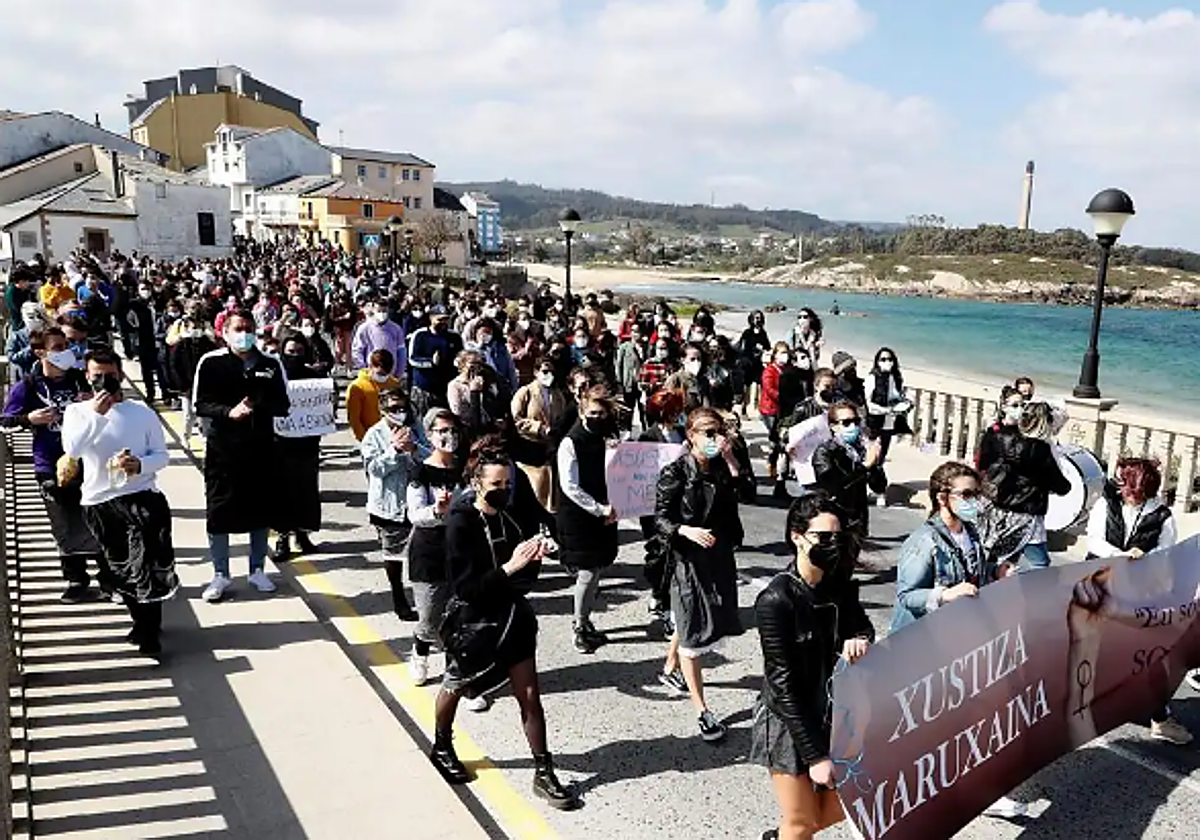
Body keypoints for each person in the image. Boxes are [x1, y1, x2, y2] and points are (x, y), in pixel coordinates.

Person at [429, 443, 578, 810]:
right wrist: (511, 566)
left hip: (513, 617)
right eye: (497, 483)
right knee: (456, 685)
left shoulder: (511, 514)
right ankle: (442, 742)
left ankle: (544, 770)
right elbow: (467, 587)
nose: (505, 489)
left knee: (529, 695)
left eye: (508, 482)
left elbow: (528, 549)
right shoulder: (460, 522)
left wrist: (538, 551)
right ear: (477, 483)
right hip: (475, 622)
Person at [888, 461, 1029, 819]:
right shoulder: (923, 541)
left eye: (975, 494)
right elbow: (907, 595)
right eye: (966, 494)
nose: (973, 502)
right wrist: (945, 594)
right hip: (925, 646)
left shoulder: (971, 533)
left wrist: (996, 573)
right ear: (942, 498)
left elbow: (976, 576)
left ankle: (982, 791)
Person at [752, 493, 873, 840]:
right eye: (822, 537)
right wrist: (816, 755)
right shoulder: (776, 600)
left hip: (836, 716)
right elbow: (782, 686)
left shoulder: (839, 587)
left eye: (837, 537)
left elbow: (862, 626)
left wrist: (859, 638)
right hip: (791, 723)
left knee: (841, 806)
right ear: (797, 536)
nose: (831, 545)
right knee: (802, 823)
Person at [61, 347, 176, 656]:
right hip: (100, 501)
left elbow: (162, 455)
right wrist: (97, 415)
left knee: (146, 565)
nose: (104, 382)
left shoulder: (142, 412)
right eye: (97, 376)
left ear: (120, 375)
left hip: (142, 498)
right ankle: (141, 619)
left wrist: (140, 464)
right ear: (87, 377)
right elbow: (73, 448)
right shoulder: (77, 413)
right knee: (119, 568)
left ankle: (150, 631)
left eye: (109, 376)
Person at [1084, 457, 1192, 745]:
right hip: (1100, 585)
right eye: (1127, 490)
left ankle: (1160, 718)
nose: (1129, 496)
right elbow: (1093, 540)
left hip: (1141, 593)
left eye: (1135, 492)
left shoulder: (1162, 516)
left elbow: (1166, 552)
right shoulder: (1106, 504)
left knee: (1149, 654)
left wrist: (1144, 558)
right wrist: (1120, 555)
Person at [654, 407, 745, 741]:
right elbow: (660, 519)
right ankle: (701, 710)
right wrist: (685, 531)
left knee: (693, 617)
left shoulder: (722, 465)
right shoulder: (675, 472)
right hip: (687, 559)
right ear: (690, 435)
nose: (714, 439)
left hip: (717, 555)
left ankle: (668, 668)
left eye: (717, 432)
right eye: (707, 433)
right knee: (693, 630)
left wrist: (732, 460)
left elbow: (743, 492)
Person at [2, 326, 106, 601]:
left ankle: (108, 577)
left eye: (67, 345)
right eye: (58, 347)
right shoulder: (28, 385)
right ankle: (76, 579)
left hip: (89, 460)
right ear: (41, 352)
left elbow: (113, 406)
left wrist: (94, 403)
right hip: (49, 463)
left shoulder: (80, 379)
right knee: (64, 521)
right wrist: (29, 419)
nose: (66, 352)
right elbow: (5, 421)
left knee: (98, 516)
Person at [194, 308, 291, 602]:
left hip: (261, 449)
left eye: (248, 328)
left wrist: (259, 404)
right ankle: (221, 573)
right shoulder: (210, 364)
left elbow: (283, 404)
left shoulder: (270, 364)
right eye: (238, 328)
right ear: (225, 332)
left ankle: (257, 569)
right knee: (219, 511)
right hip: (223, 451)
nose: (244, 333)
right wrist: (229, 412)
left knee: (260, 511)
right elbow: (201, 404)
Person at [556, 385, 621, 654]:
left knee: (597, 570)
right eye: (592, 412)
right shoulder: (571, 442)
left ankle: (586, 621)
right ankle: (579, 627)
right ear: (582, 411)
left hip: (604, 511)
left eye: (601, 413)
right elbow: (570, 486)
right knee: (587, 572)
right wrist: (599, 509)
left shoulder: (607, 437)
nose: (597, 417)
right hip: (580, 516)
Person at [976, 395, 1070, 570]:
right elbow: (1061, 486)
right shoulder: (1041, 449)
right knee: (1040, 564)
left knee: (997, 558)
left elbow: (984, 463)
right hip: (1026, 513)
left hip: (997, 509)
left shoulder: (1000, 435)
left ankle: (988, 588)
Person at [362, 387, 430, 622]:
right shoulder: (374, 435)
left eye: (403, 407)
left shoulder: (416, 428)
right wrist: (394, 450)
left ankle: (425, 599)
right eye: (393, 409)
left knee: (421, 552)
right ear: (382, 410)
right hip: (388, 505)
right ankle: (398, 595)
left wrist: (413, 448)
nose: (399, 412)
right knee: (393, 554)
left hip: (416, 502)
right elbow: (374, 469)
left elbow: (431, 455)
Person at [404, 408, 462, 685]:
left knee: (459, 616)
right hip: (429, 552)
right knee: (429, 617)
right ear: (429, 435)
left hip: (460, 550)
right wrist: (437, 511)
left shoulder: (465, 467)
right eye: (441, 431)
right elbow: (415, 514)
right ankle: (419, 651)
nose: (448, 436)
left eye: (452, 430)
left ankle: (459, 675)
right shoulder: (420, 471)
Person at [811, 401, 886, 581]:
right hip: (833, 518)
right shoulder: (824, 452)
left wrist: (874, 465)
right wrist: (865, 466)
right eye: (845, 423)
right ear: (833, 427)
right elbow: (834, 485)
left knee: (846, 571)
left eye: (855, 421)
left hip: (856, 518)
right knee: (830, 572)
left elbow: (879, 486)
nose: (852, 426)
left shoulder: (860, 451)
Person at [271, 334, 327, 561]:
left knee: (306, 492)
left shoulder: (313, 378)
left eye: (299, 352)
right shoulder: (274, 376)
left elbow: (323, 410)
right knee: (282, 492)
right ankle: (283, 538)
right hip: (279, 445)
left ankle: (302, 536)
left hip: (306, 445)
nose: (294, 356)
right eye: (290, 352)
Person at [639, 389, 688, 636]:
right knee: (658, 553)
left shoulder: (682, 434)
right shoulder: (648, 437)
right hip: (653, 505)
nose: (677, 416)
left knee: (675, 555)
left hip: (679, 503)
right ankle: (659, 596)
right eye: (672, 412)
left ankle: (668, 601)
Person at [511, 355, 571, 512]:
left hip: (550, 445)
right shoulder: (525, 392)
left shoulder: (558, 395)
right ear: (536, 372)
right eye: (544, 371)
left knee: (550, 484)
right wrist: (539, 428)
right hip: (530, 445)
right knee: (534, 483)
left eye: (551, 371)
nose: (548, 374)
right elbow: (517, 419)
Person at [864, 347, 912, 507]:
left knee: (881, 457)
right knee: (874, 458)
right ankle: (879, 491)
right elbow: (869, 404)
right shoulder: (872, 378)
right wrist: (886, 409)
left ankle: (873, 488)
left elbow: (898, 397)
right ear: (877, 362)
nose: (887, 362)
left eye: (889, 359)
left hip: (889, 424)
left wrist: (904, 405)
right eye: (883, 359)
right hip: (875, 423)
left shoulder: (896, 378)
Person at [167, 316, 217, 445]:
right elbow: (174, 365)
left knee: (205, 416)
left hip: (205, 387)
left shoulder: (208, 344)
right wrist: (182, 386)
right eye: (193, 327)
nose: (196, 330)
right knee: (189, 415)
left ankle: (207, 441)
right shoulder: (182, 344)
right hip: (188, 386)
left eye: (198, 327)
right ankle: (185, 436)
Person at [346, 349, 401, 442]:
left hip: (392, 438)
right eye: (380, 374)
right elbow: (354, 419)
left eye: (387, 374)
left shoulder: (394, 383)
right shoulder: (357, 387)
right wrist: (364, 439)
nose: (383, 377)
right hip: (369, 439)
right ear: (370, 366)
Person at [352, 297, 406, 378]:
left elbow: (401, 352)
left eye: (384, 311)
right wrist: (363, 369)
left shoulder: (396, 329)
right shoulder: (364, 328)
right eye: (379, 311)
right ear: (373, 310)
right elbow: (357, 350)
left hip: (390, 374)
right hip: (371, 373)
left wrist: (399, 373)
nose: (382, 314)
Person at [737, 310, 772, 417]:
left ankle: (758, 407)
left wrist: (763, 350)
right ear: (751, 319)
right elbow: (742, 347)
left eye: (759, 317)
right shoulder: (747, 332)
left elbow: (767, 346)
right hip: (748, 363)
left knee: (760, 385)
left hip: (758, 363)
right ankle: (744, 409)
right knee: (746, 387)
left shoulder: (763, 333)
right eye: (756, 318)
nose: (758, 320)